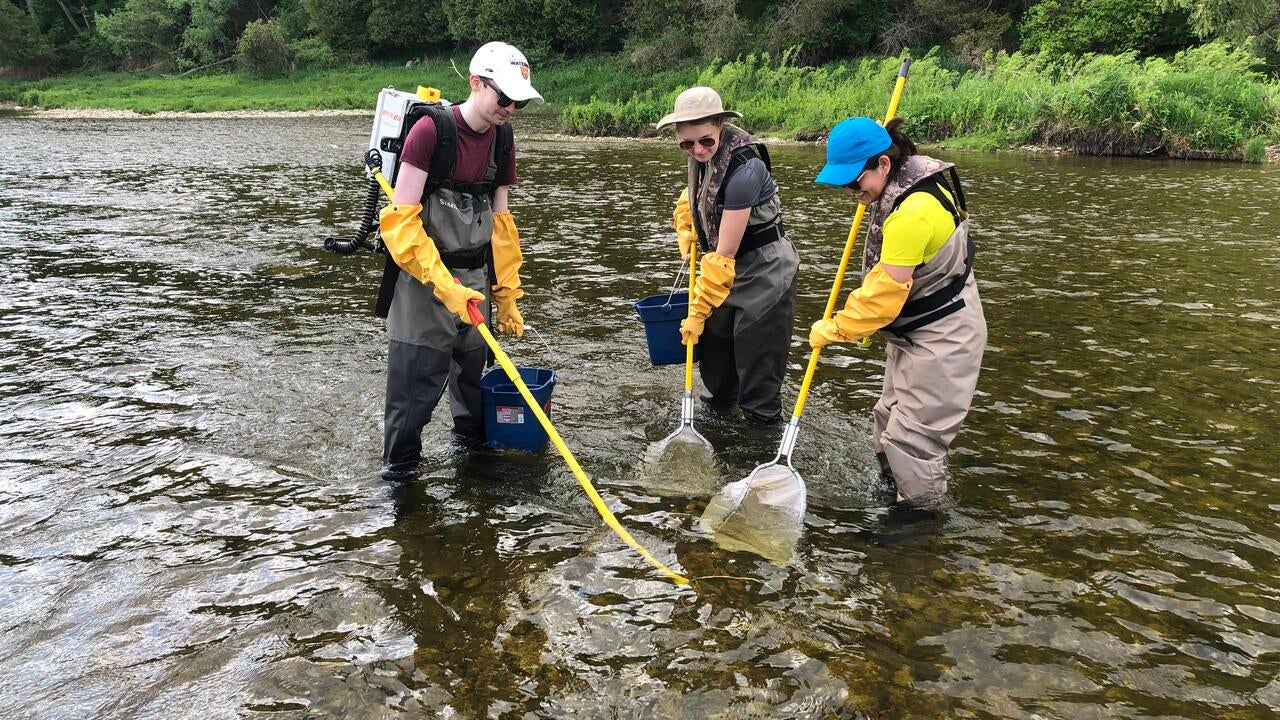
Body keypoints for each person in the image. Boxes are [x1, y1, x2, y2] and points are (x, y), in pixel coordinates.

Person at [376, 41, 542, 479]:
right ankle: (400, 480)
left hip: (475, 275)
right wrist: (445, 287)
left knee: (473, 385)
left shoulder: (503, 139)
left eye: (519, 101)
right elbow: (402, 223)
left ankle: (473, 470)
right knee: (415, 392)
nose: (510, 108)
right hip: (423, 280)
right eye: (503, 97)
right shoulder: (431, 132)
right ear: (475, 83)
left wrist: (505, 293)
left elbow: (502, 222)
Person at [810, 116, 986, 505]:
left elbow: (883, 299)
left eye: (855, 181)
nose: (850, 191)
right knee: (887, 420)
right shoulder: (898, 180)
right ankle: (894, 495)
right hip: (917, 329)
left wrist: (836, 328)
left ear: (884, 165)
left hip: (945, 336)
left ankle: (919, 528)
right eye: (843, 183)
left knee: (912, 441)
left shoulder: (912, 213)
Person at [658, 86, 799, 426]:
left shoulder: (745, 171)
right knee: (716, 366)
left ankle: (760, 445)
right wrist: (686, 227)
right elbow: (692, 196)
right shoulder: (700, 155)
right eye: (687, 144)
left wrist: (696, 312)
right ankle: (717, 427)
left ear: (720, 124)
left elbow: (724, 256)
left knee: (757, 377)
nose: (698, 150)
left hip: (763, 274)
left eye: (705, 141)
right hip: (724, 272)